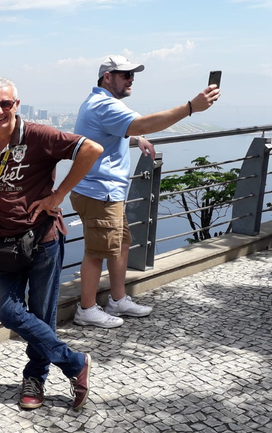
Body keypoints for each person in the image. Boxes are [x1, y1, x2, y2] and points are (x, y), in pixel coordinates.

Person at [0, 77, 103, 411]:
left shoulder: (39, 135)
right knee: (7, 311)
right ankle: (75, 363)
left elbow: (92, 149)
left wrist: (59, 194)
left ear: (17, 104)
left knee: (41, 314)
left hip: (42, 238)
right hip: (5, 242)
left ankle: (34, 378)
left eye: (6, 103)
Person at [71, 55, 221, 328]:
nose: (131, 79)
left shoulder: (99, 103)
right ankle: (86, 308)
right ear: (108, 77)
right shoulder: (104, 105)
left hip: (105, 191)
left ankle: (117, 299)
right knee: (96, 252)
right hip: (99, 192)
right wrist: (190, 108)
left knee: (121, 244)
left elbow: (120, 129)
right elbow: (145, 122)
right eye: (125, 74)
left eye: (133, 75)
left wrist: (135, 137)